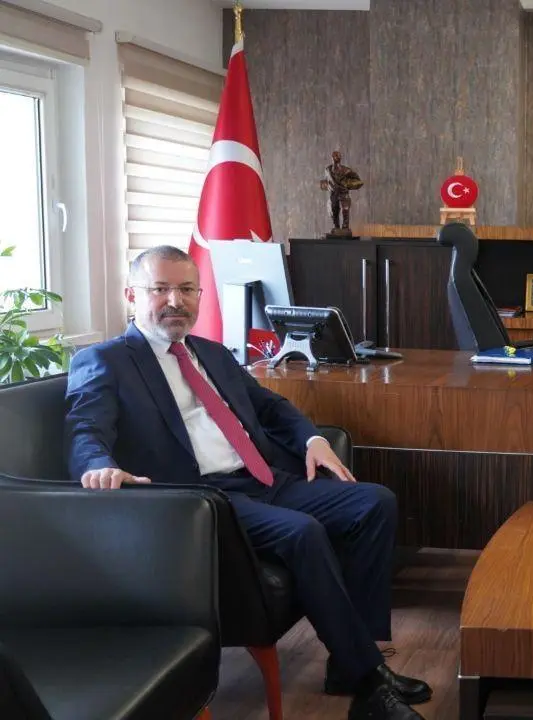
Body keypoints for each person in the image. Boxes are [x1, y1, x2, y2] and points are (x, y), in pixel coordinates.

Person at [64, 246, 430, 720]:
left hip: (261, 478)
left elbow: (270, 407)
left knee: (373, 503)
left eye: (187, 289)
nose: (175, 300)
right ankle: (368, 680)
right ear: (132, 295)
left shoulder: (213, 353)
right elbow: (85, 427)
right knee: (302, 532)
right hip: (201, 498)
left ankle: (350, 661)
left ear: (200, 295)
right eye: (160, 289)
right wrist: (97, 466)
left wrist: (313, 439)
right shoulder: (106, 360)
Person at [321, 149, 362, 234]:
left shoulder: (346, 170)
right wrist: (327, 186)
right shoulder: (328, 170)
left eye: (337, 156)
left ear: (340, 158)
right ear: (332, 158)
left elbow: (358, 181)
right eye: (334, 156)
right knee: (334, 211)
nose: (336, 158)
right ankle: (336, 227)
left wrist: (347, 184)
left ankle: (345, 228)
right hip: (333, 195)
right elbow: (326, 181)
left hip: (343, 194)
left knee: (345, 211)